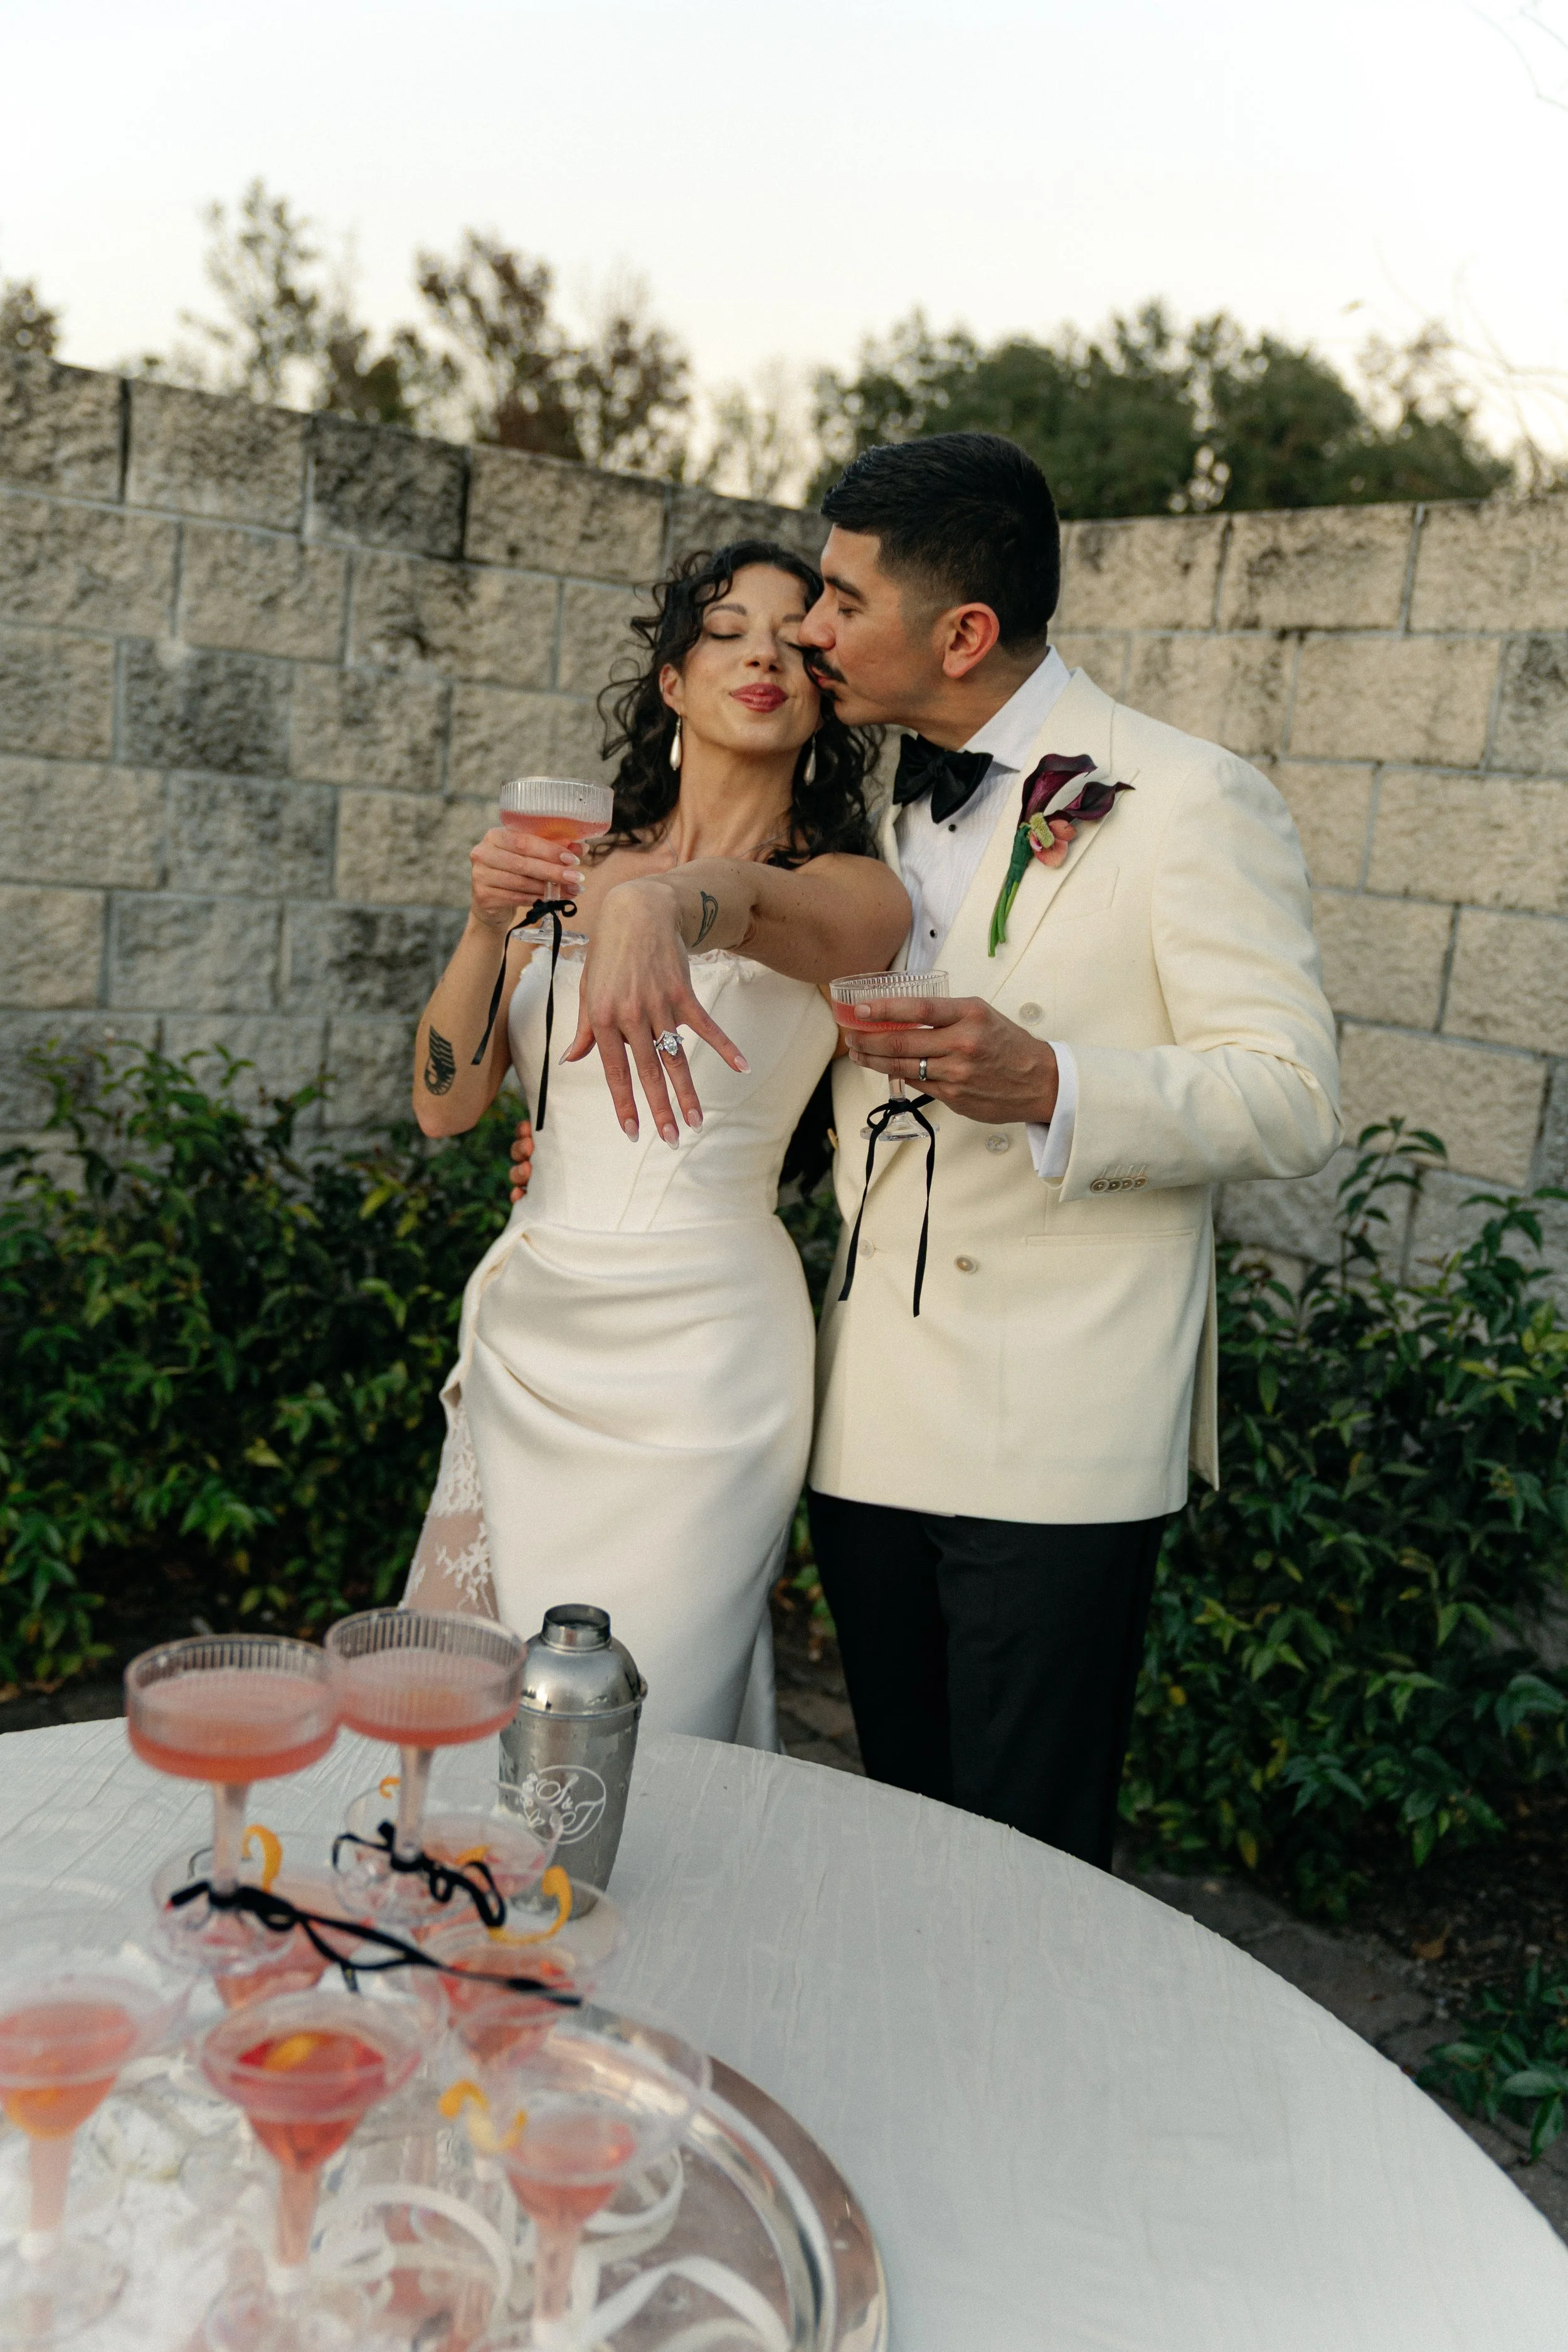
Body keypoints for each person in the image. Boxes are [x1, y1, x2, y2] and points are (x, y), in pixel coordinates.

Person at [785, 432, 1342, 1867]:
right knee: (900, 1815)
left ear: (961, 632)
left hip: (1061, 1431)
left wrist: (1055, 1084)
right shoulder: (868, 813)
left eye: (842, 600)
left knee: (1026, 1859)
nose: (807, 626)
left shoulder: (1187, 797)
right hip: (869, 1416)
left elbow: (1288, 1094)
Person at [402, 540, 905, 1750]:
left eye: (796, 636)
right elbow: (444, 1103)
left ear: (824, 686)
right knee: (454, 1709)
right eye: (728, 632)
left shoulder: (855, 891)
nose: (765, 655)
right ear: (673, 682)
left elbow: (769, 916)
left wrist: (657, 904)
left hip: (708, 1362)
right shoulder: (568, 865)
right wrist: (487, 927)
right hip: (532, 1330)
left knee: (648, 1727)